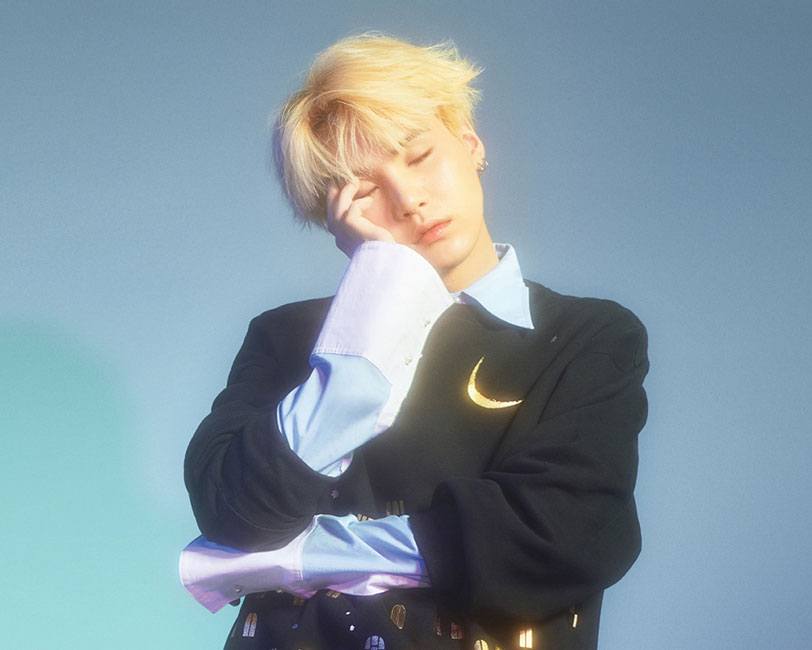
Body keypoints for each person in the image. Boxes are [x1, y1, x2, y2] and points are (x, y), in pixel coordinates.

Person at [180, 32, 650, 650]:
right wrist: (377, 294)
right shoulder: (283, 337)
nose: (409, 200)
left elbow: (564, 536)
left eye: (419, 155)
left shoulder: (586, 336)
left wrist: (298, 558)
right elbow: (233, 513)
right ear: (333, 217)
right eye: (364, 189)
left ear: (471, 143)